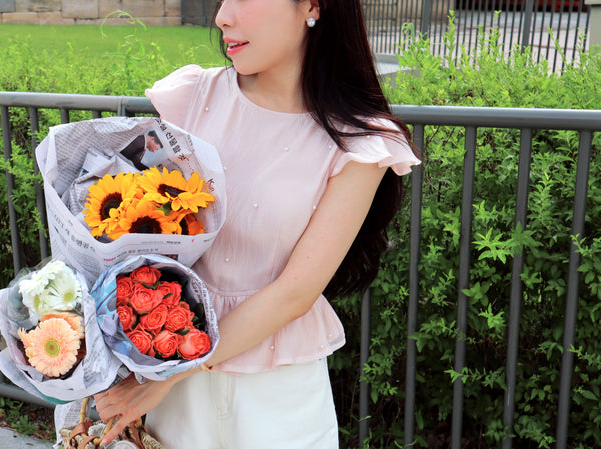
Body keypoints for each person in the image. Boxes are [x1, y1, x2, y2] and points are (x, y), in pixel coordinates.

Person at [94, 0, 420, 447]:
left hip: (274, 394)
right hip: (166, 370)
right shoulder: (193, 99)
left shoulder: (360, 142)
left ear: (312, 6)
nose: (222, 17)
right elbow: (134, 233)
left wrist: (169, 376)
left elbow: (296, 292)